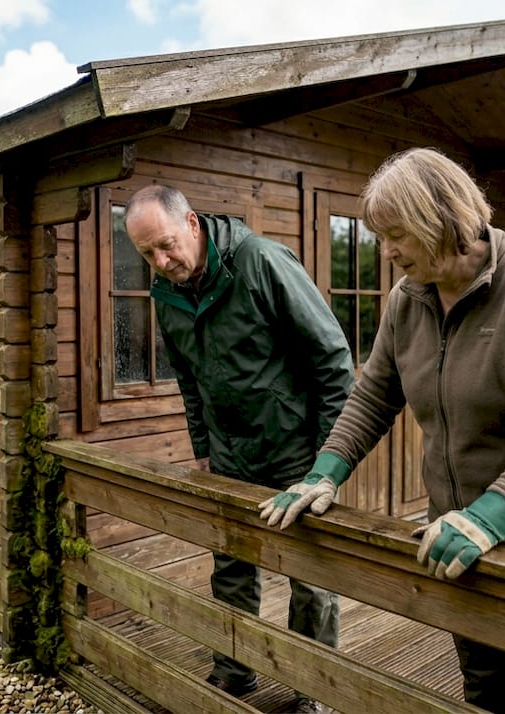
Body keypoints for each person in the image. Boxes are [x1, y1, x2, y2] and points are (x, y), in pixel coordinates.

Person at [258, 147, 505, 714]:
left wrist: (490, 517)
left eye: (397, 234)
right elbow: (374, 394)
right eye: (381, 235)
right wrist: (324, 473)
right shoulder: (408, 299)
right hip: (453, 526)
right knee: (485, 685)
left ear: (444, 218)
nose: (387, 250)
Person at [125, 184, 354, 713]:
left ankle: (312, 686)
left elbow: (333, 357)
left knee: (311, 576)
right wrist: (202, 447)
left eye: (165, 244)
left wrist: (328, 459)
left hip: (297, 450)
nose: (160, 261)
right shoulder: (169, 293)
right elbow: (187, 377)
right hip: (229, 454)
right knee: (231, 567)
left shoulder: (262, 262)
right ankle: (234, 669)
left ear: (193, 225)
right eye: (146, 254)